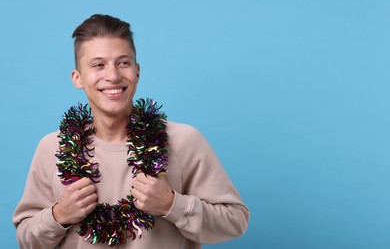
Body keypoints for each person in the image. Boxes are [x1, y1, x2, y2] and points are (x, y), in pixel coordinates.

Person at [13, 14, 249, 248]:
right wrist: (58, 216)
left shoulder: (184, 141)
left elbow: (235, 221)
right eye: (98, 65)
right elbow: (26, 238)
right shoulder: (53, 148)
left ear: (137, 71)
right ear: (78, 78)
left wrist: (172, 205)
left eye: (123, 63)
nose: (113, 76)